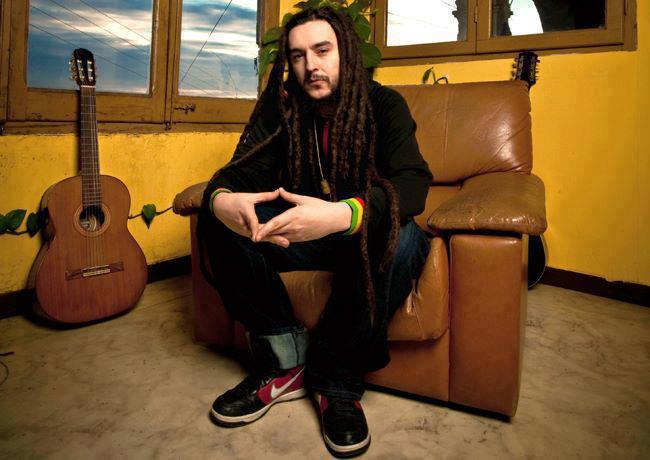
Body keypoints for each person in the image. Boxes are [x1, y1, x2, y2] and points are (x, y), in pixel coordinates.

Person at [198, 6, 432, 458]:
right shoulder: (284, 109)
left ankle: (335, 379)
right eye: (298, 55)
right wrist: (222, 200)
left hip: (361, 232)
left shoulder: (386, 106)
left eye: (322, 51)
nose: (311, 66)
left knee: (404, 239)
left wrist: (343, 214)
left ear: (346, 52)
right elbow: (238, 172)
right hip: (304, 236)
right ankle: (285, 363)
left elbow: (412, 183)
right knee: (219, 215)